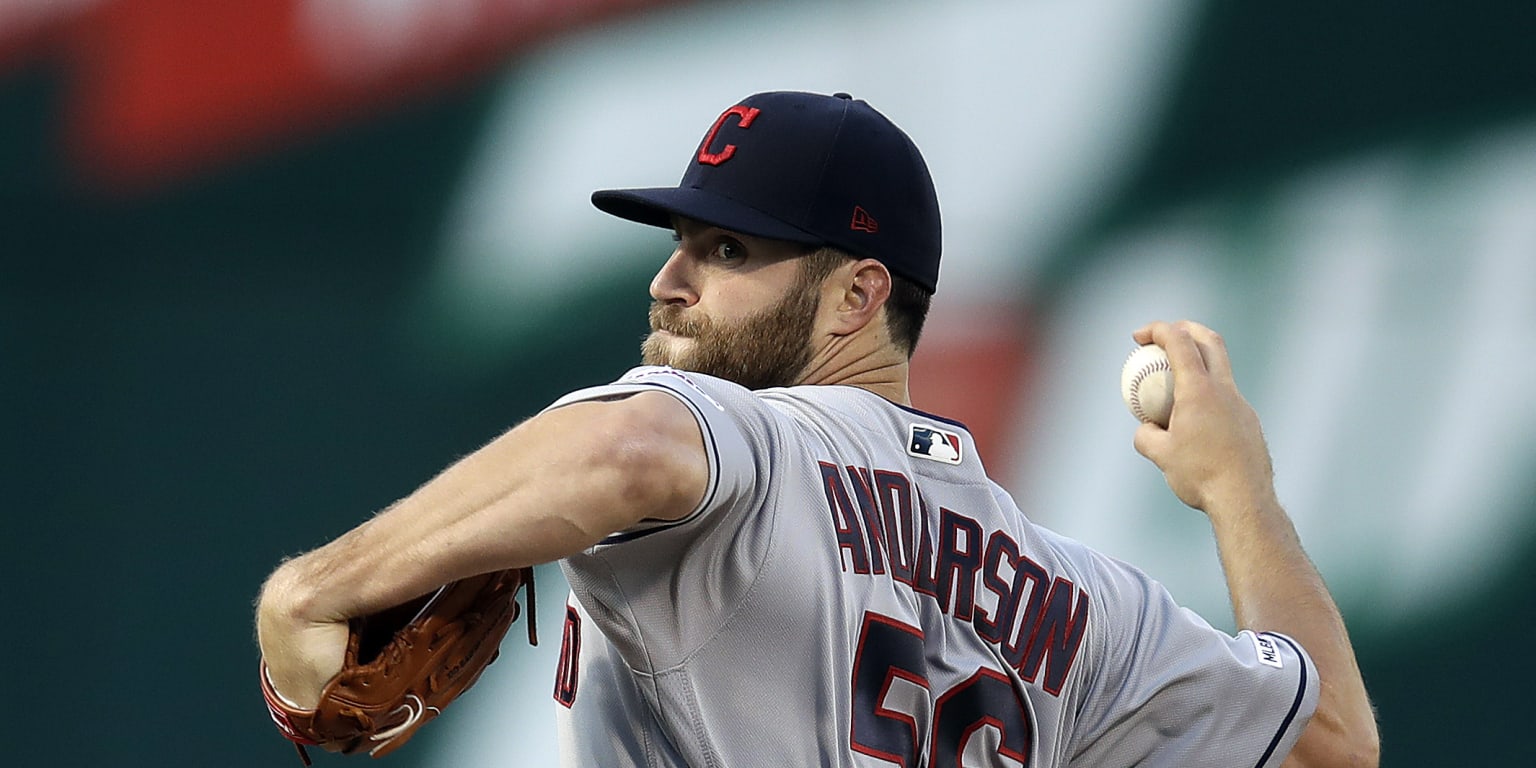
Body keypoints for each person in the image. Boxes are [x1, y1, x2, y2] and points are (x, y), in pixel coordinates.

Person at [255, 90, 1379, 767]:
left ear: (857, 296)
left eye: (727, 253)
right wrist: (1243, 493)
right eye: (683, 241)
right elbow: (1331, 743)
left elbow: (624, 449)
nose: (669, 280)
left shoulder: (759, 443)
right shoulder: (1082, 602)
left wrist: (314, 591)